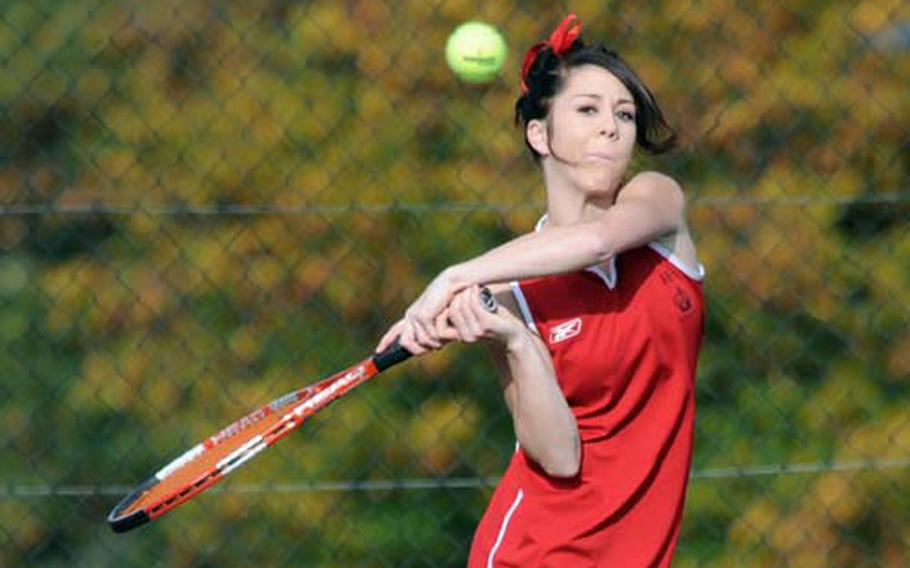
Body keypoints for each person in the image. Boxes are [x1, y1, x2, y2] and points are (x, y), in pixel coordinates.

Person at [377, 13, 705, 567]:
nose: (612, 127)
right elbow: (558, 456)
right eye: (587, 109)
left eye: (624, 114)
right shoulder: (510, 290)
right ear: (540, 133)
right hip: (534, 552)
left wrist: (454, 276)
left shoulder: (658, 205)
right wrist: (515, 342)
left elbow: (599, 240)